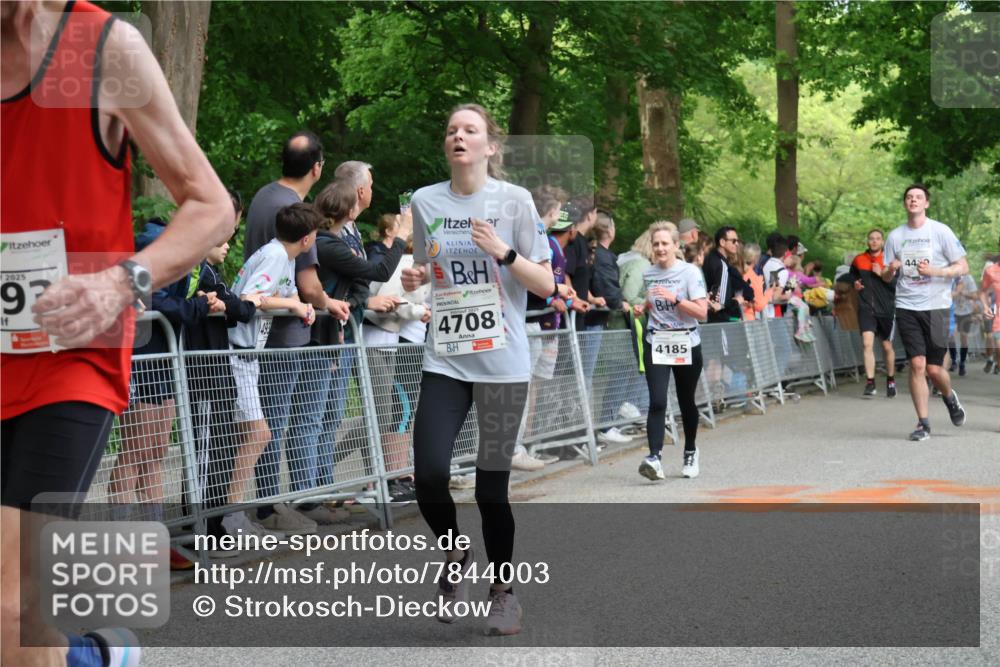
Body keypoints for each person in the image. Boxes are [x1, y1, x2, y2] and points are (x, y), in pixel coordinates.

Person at [2, 1, 233, 665]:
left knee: (13, 603)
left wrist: (117, 283)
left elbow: (212, 206)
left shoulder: (99, 48)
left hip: (71, 358)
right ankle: (90, 656)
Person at [401, 103, 553, 636]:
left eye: (470, 130)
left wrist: (504, 253)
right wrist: (418, 277)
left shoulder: (515, 201)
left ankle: (504, 593)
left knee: (491, 492)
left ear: (491, 146)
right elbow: (427, 266)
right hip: (446, 357)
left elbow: (546, 284)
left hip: (503, 365)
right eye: (451, 130)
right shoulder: (425, 201)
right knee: (428, 477)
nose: (458, 136)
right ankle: (455, 554)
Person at [243, 131, 350, 534]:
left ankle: (278, 503)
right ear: (318, 168)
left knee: (272, 420)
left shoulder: (262, 197)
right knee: (277, 420)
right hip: (284, 334)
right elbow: (309, 285)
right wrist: (330, 303)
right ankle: (271, 506)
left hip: (266, 329)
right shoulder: (296, 209)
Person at [224, 203, 318, 537]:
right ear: (306, 239)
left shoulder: (284, 257)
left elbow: (282, 292)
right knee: (258, 434)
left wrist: (301, 305)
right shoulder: (276, 255)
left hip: (248, 356)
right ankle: (231, 518)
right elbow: (252, 297)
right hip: (237, 353)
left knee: (249, 435)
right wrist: (293, 304)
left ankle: (231, 515)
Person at [311, 177, 406, 492]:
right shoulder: (328, 244)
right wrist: (402, 237)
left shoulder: (338, 241)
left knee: (332, 416)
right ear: (349, 210)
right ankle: (315, 490)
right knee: (318, 418)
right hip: (327, 338)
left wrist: (355, 301)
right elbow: (378, 273)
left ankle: (325, 486)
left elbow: (361, 284)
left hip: (341, 336)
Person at [881, 184, 968, 441]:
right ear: (905, 203)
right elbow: (885, 275)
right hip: (907, 306)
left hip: (937, 306)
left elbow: (963, 266)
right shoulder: (895, 236)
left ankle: (949, 397)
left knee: (934, 369)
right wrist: (891, 269)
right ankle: (923, 424)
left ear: (926, 203)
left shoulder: (940, 231)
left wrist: (936, 272)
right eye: (909, 197)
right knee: (917, 364)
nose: (913, 200)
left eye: (918, 197)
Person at [634, 222, 709, 481]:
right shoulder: (649, 273)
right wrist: (644, 307)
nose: (660, 248)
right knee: (657, 401)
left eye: (665, 243)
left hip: (686, 342)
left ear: (676, 245)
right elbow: (653, 297)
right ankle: (654, 458)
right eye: (656, 244)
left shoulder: (690, 272)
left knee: (686, 401)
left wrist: (675, 298)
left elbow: (702, 312)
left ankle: (690, 451)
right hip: (657, 341)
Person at [365, 212, 431, 497]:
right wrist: (420, 311)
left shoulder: (421, 266)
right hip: (389, 342)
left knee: (398, 412)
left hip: (401, 343)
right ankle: (391, 476)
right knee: (393, 412)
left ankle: (399, 474)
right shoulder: (404, 264)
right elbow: (392, 301)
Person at [588, 210, 632, 443]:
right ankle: (589, 432)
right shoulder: (603, 256)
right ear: (611, 230)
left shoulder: (595, 253)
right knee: (584, 377)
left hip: (595, 319)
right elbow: (607, 285)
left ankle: (591, 431)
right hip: (592, 320)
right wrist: (620, 303)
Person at [851, 229, 898, 397]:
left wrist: (881, 274)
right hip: (866, 309)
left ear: (883, 242)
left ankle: (890, 380)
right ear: (867, 241)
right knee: (867, 344)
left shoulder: (890, 261)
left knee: (887, 346)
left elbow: (897, 285)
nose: (874, 241)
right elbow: (852, 277)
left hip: (886, 309)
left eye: (878, 238)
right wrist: (855, 284)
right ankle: (870, 383)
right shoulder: (859, 259)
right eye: (871, 238)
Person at [703, 226, 749, 324]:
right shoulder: (722, 265)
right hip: (719, 321)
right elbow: (721, 303)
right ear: (722, 242)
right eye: (733, 241)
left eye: (737, 241)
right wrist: (737, 301)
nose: (737, 244)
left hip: (706, 318)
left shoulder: (708, 258)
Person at [949, 273, 978, 375]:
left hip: (965, 311)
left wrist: (962, 293)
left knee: (964, 338)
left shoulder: (968, 278)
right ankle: (953, 360)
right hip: (952, 309)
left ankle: (962, 363)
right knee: (950, 336)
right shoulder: (950, 276)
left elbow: (975, 296)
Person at [740, 243, 771, 321]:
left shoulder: (735, 271)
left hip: (733, 319)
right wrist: (770, 292)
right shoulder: (753, 277)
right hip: (747, 319)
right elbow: (759, 305)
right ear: (756, 259)